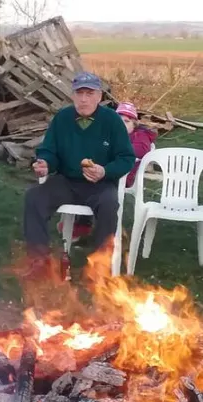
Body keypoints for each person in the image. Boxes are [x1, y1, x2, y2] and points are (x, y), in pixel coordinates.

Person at [23, 72, 135, 273]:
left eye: (89, 93)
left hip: (100, 184)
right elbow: (49, 151)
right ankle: (39, 260)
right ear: (73, 95)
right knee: (34, 197)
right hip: (67, 181)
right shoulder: (62, 118)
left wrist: (105, 171)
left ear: (99, 96)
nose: (84, 99)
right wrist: (45, 164)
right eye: (79, 93)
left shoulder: (112, 120)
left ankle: (100, 266)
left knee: (109, 204)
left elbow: (126, 158)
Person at [64, 101, 161, 241]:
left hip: (123, 176)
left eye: (126, 121)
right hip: (104, 172)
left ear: (134, 124)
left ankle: (86, 224)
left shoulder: (140, 136)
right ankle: (80, 219)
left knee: (93, 184)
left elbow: (140, 150)